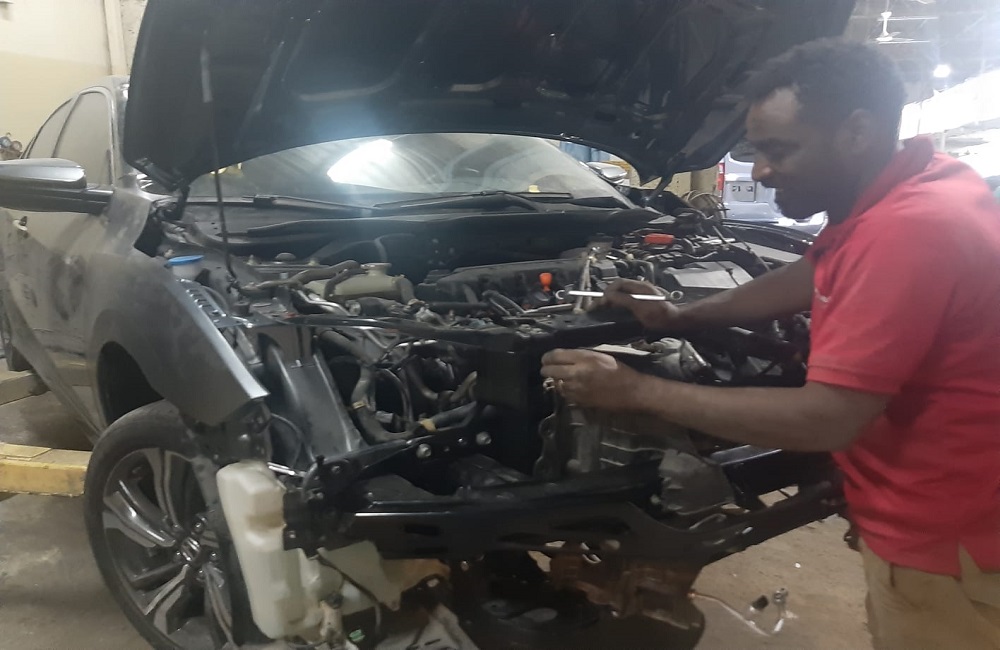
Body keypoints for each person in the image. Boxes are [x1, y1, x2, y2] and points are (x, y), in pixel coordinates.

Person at [541, 39, 1000, 649]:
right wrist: (679, 315)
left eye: (778, 150)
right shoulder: (921, 181)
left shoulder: (907, 230)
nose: (758, 170)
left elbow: (827, 419)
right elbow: (812, 273)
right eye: (755, 151)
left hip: (950, 541)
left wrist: (635, 390)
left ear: (857, 132)